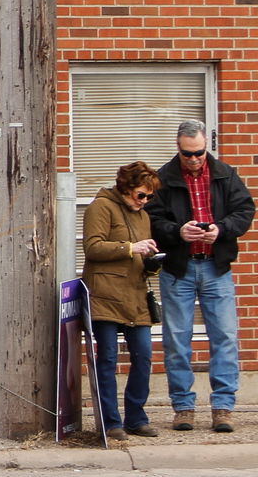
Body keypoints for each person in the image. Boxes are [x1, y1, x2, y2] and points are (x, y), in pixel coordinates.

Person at [147, 119, 254, 434]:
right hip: (178, 268)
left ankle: (223, 407)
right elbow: (151, 219)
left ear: (206, 145)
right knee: (177, 340)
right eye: (187, 153)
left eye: (199, 153)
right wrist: (178, 231)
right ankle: (183, 407)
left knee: (225, 338)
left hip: (215, 266)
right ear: (177, 147)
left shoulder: (224, 174)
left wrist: (220, 230)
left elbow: (245, 211)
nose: (193, 159)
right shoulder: (164, 178)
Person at [81, 161, 161, 440]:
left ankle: (136, 417)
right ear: (126, 188)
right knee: (108, 359)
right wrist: (130, 248)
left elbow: (140, 253)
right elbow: (92, 247)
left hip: (135, 295)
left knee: (144, 356)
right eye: (141, 195)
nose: (145, 201)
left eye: (150, 196)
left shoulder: (143, 216)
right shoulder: (100, 207)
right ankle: (110, 422)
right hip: (105, 295)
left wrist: (151, 257)